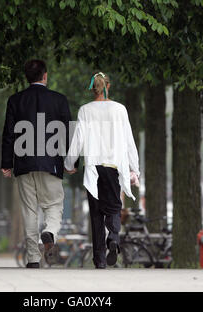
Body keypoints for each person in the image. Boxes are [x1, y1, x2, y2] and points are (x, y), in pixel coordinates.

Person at [1, 59, 76, 268]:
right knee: (54, 205)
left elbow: (8, 133)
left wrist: (7, 162)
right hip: (50, 164)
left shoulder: (15, 100)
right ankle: (50, 231)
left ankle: (33, 259)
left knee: (29, 211)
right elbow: (69, 133)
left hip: (23, 164)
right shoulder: (59, 100)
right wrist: (71, 161)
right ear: (45, 76)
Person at [64, 72, 140, 268]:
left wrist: (69, 163)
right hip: (114, 167)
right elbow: (129, 140)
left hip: (93, 168)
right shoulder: (120, 109)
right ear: (109, 86)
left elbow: (78, 140)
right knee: (114, 207)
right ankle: (113, 237)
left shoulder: (85, 110)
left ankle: (100, 260)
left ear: (93, 88)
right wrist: (135, 168)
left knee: (96, 213)